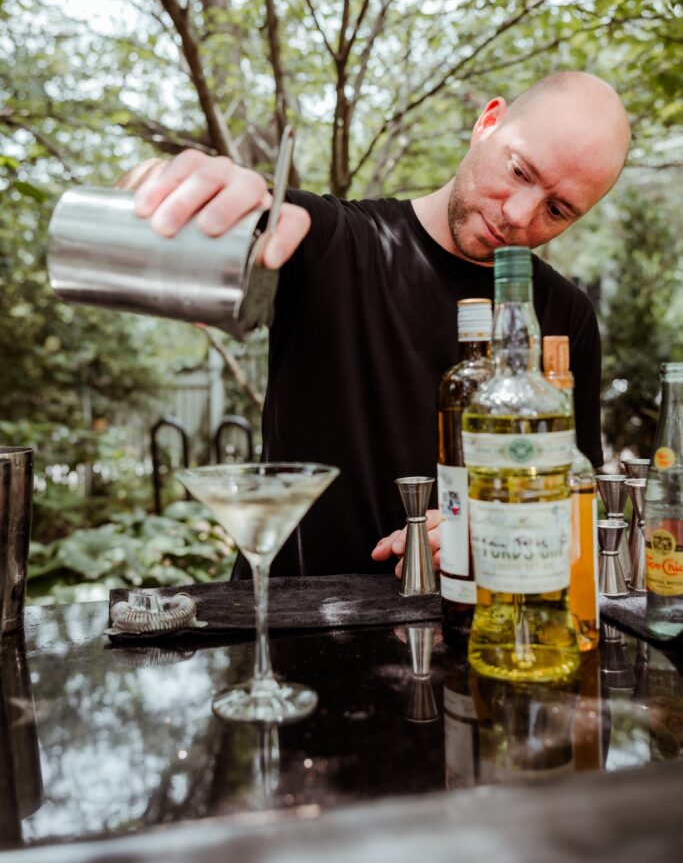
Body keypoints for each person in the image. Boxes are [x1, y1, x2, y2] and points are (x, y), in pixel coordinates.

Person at [121, 71, 631, 579]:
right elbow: (150, 232)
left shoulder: (566, 314)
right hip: (291, 627)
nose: (520, 216)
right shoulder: (326, 241)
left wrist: (494, 528)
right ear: (487, 123)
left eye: (558, 209)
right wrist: (164, 192)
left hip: (477, 628)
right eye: (519, 172)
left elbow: (576, 500)